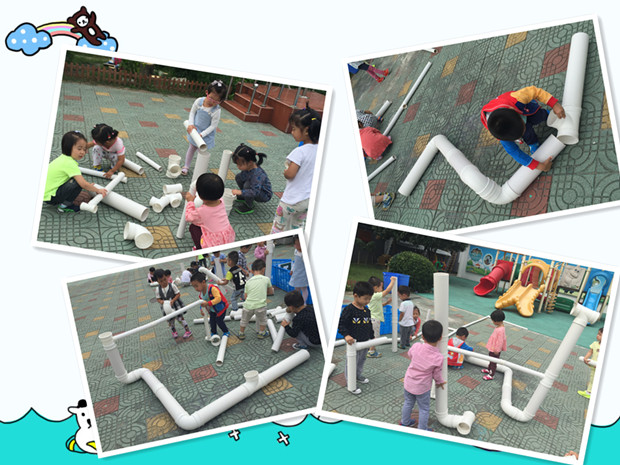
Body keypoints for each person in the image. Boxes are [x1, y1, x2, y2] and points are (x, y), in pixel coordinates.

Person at [481, 86, 566, 172]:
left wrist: (554, 104)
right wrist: (540, 166)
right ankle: (533, 142)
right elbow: (514, 152)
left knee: (538, 115)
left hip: (525, 108)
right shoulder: (502, 135)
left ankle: (546, 115)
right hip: (513, 116)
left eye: (523, 126)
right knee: (527, 133)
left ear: (516, 113)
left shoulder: (518, 98)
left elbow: (535, 91)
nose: (525, 129)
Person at [271, 106, 321, 233]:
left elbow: (290, 174)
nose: (292, 132)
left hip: (291, 200)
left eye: (294, 129)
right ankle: (293, 239)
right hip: (308, 200)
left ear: (306, 131)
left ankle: (272, 241)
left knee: (279, 225)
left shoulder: (299, 152)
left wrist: (286, 172)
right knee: (297, 225)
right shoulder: (320, 150)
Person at [43, 131, 108, 213]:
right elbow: (83, 184)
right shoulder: (70, 164)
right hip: (52, 198)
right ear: (68, 147)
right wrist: (97, 190)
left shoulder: (62, 158)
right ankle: (64, 206)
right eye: (79, 149)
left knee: (76, 179)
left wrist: (88, 186)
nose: (82, 152)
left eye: (84, 149)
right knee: (77, 182)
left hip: (45, 194)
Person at [400, 320, 446, 430]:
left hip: (409, 382)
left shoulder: (416, 346)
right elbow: (436, 374)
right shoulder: (438, 357)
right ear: (440, 338)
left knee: (408, 403)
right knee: (424, 409)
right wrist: (440, 382)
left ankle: (405, 422)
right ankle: (422, 429)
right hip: (422, 387)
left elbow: (410, 354)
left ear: (423, 337)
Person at [182, 80, 227, 175]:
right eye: (211, 98)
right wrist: (191, 124)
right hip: (195, 129)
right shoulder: (199, 101)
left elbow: (213, 126)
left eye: (216, 101)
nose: (212, 102)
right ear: (207, 92)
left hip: (205, 134)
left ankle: (199, 170)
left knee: (201, 152)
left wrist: (202, 134)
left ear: (221, 101)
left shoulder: (216, 110)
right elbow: (192, 113)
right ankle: (186, 166)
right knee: (191, 148)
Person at [338, 281, 374, 395]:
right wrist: (346, 335)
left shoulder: (366, 310)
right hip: (353, 343)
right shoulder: (349, 310)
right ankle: (351, 382)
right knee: (351, 362)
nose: (367, 301)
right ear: (355, 296)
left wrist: (372, 338)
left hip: (365, 342)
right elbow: (341, 324)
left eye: (369, 299)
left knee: (361, 360)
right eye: (365, 299)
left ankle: (357, 375)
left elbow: (369, 325)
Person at [184, 173, 235, 249]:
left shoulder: (202, 211)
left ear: (199, 196)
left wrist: (190, 202)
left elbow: (188, 217)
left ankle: (200, 250)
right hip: (228, 237)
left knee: (193, 227)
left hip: (213, 243)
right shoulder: (221, 201)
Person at [230, 144, 272, 214]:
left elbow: (255, 191)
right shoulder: (249, 166)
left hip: (263, 194)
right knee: (238, 177)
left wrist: (240, 192)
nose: (238, 167)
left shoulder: (257, 174)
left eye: (240, 164)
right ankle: (245, 196)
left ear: (249, 162)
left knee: (247, 185)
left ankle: (249, 205)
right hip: (254, 187)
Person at [238, 259, 274, 340]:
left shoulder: (248, 282)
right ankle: (261, 333)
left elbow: (246, 297)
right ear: (263, 269)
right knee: (263, 320)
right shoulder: (266, 279)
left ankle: (241, 333)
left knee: (244, 320)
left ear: (252, 270)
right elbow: (270, 292)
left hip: (248, 306)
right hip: (260, 305)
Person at [190, 271, 229, 339]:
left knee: (219, 321)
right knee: (212, 321)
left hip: (221, 308)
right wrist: (201, 310)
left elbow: (218, 298)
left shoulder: (212, 288)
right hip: (212, 310)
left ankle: (226, 331)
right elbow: (201, 303)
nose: (196, 289)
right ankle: (214, 332)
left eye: (196, 286)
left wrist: (208, 303)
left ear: (203, 282)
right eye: (194, 287)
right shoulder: (201, 294)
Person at [154, 269, 191, 339]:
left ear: (166, 277)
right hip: (166, 308)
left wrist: (173, 300)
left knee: (180, 318)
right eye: (161, 281)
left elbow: (178, 294)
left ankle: (188, 331)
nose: (164, 282)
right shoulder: (157, 289)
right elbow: (158, 299)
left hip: (175, 305)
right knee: (170, 321)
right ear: (157, 281)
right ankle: (174, 331)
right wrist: (161, 301)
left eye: (165, 279)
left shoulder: (172, 285)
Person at [366, 275, 397, 358]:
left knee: (372, 335)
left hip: (371, 318)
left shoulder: (371, 296)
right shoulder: (375, 295)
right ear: (375, 288)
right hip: (374, 319)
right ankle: (371, 352)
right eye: (381, 287)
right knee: (375, 336)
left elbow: (379, 305)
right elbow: (387, 291)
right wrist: (392, 281)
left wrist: (386, 303)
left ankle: (370, 348)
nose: (382, 289)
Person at [482, 310, 507, 380]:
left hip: (495, 350)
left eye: (493, 321)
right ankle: (489, 369)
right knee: (491, 360)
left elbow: (500, 341)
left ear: (496, 321)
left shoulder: (501, 330)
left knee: (493, 362)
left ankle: (491, 374)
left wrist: (497, 350)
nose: (492, 322)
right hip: (493, 348)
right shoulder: (499, 327)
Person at [578, 327, 603, 399]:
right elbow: (590, 352)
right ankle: (590, 391)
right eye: (598, 334)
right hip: (593, 366)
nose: (597, 335)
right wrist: (585, 358)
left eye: (600, 334)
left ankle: (589, 392)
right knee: (592, 378)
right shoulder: (595, 344)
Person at [289, 236, 309, 303]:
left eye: (299, 244)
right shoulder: (296, 251)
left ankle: (303, 302)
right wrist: (292, 270)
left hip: (303, 274)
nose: (298, 246)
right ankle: (298, 302)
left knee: (304, 288)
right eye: (296, 244)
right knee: (296, 288)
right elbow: (295, 262)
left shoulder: (305, 253)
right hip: (296, 273)